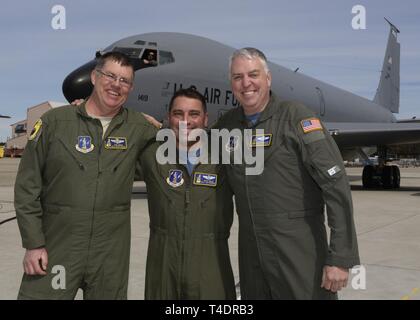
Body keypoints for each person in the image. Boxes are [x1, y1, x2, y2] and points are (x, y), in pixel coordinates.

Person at [213, 48, 360, 299]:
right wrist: (156, 129)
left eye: (253, 74)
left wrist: (340, 257)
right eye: (238, 77)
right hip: (253, 256)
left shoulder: (296, 118)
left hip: (299, 252)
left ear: (268, 79)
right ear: (231, 84)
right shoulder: (227, 126)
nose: (246, 83)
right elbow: (189, 146)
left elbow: (335, 186)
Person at [14, 51, 157, 299]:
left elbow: (176, 156)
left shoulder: (140, 128)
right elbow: (28, 186)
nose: (116, 85)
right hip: (57, 248)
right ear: (94, 76)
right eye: (110, 76)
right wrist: (33, 243)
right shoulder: (55, 123)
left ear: (131, 88)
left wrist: (161, 127)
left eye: (124, 80)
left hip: (109, 256)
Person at [140, 88, 236, 299]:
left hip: (212, 268)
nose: (186, 121)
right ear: (168, 118)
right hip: (163, 269)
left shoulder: (225, 159)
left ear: (205, 119)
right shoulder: (150, 154)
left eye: (194, 114)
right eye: (178, 114)